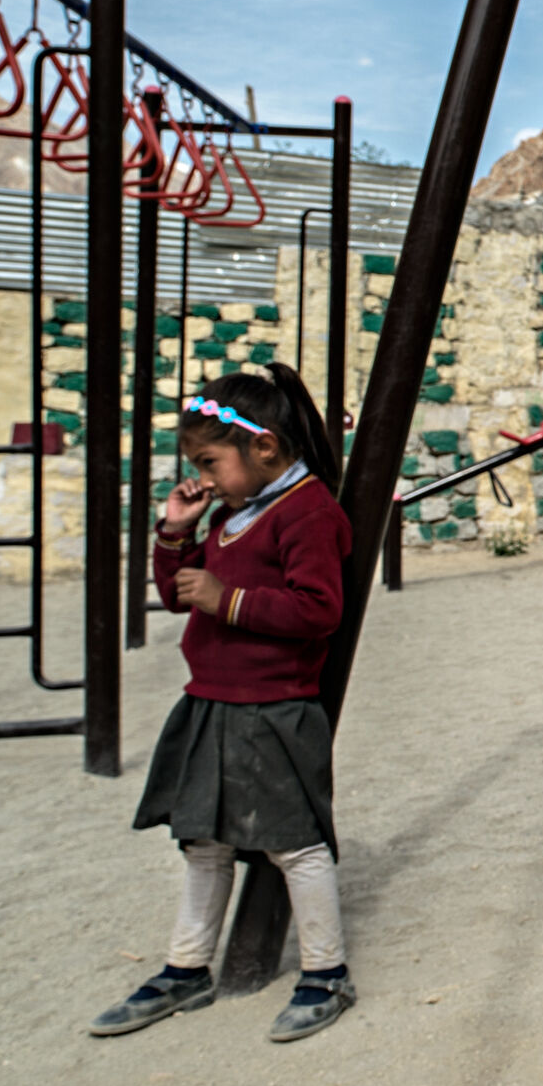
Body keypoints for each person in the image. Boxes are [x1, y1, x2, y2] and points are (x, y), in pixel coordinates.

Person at [87, 364, 357, 1044]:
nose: (203, 477)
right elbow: (181, 591)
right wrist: (176, 530)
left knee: (294, 846)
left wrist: (227, 600)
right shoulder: (238, 512)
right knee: (203, 841)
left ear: (263, 447)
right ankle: (187, 968)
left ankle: (326, 973)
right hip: (212, 699)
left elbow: (318, 608)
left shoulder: (308, 511)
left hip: (273, 705)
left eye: (210, 461)